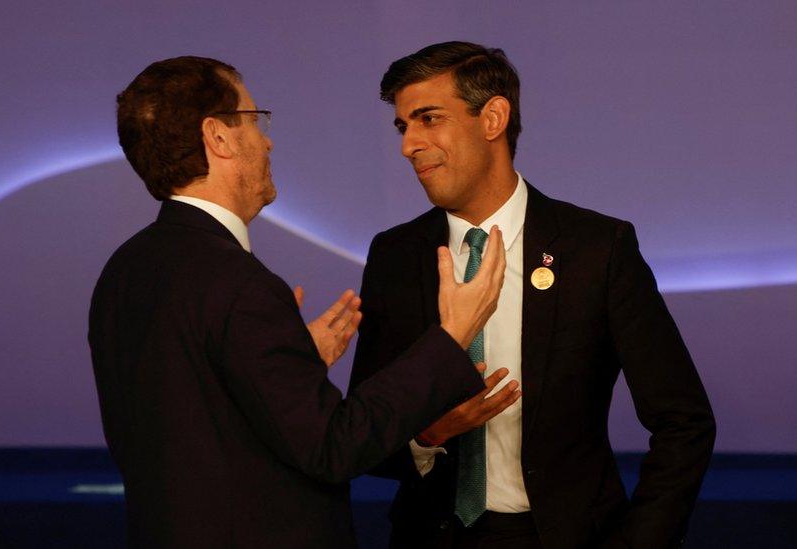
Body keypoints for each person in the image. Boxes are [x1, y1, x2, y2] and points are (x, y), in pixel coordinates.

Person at [88, 55, 512, 548]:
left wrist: (293, 363)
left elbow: (194, 417)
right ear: (218, 137)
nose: (266, 140)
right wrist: (451, 336)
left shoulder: (125, 270)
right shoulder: (241, 285)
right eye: (254, 119)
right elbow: (335, 446)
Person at [349, 42, 716, 549]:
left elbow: (684, 424)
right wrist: (426, 436)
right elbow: (362, 436)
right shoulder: (395, 255)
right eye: (403, 126)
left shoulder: (596, 249)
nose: (408, 144)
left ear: (493, 117)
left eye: (428, 119)